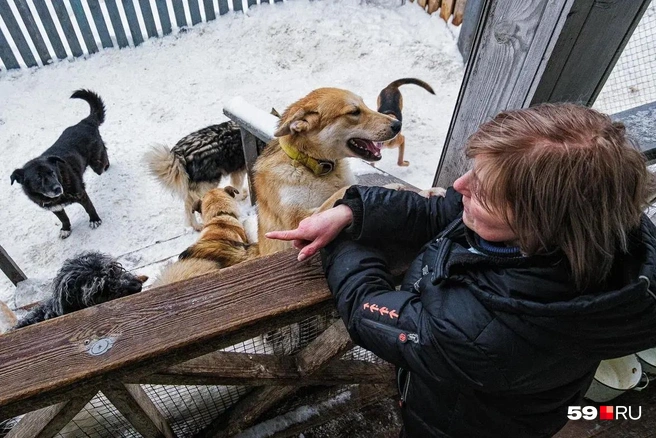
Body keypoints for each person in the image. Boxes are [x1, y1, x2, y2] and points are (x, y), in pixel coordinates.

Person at [265, 103, 656, 438]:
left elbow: (365, 307)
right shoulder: (600, 223)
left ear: (540, 224)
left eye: (481, 190)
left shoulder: (478, 331)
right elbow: (442, 211)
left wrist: (343, 241)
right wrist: (353, 210)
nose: (458, 184)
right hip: (539, 405)